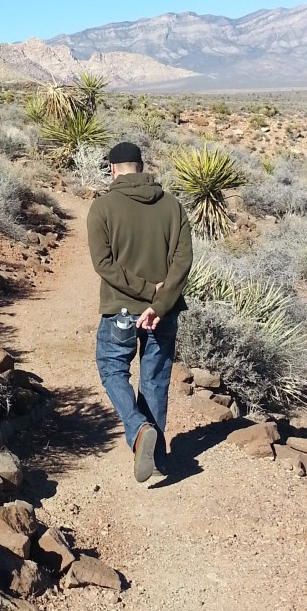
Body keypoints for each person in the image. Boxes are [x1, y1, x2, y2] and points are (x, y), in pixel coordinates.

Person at [86, 141, 193, 482]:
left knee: (112, 367)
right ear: (141, 166)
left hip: (120, 308)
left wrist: (144, 293)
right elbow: (183, 262)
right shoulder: (173, 207)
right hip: (164, 311)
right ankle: (158, 455)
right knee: (156, 380)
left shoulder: (102, 208)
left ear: (113, 169)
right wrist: (159, 301)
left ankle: (137, 428)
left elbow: (103, 264)